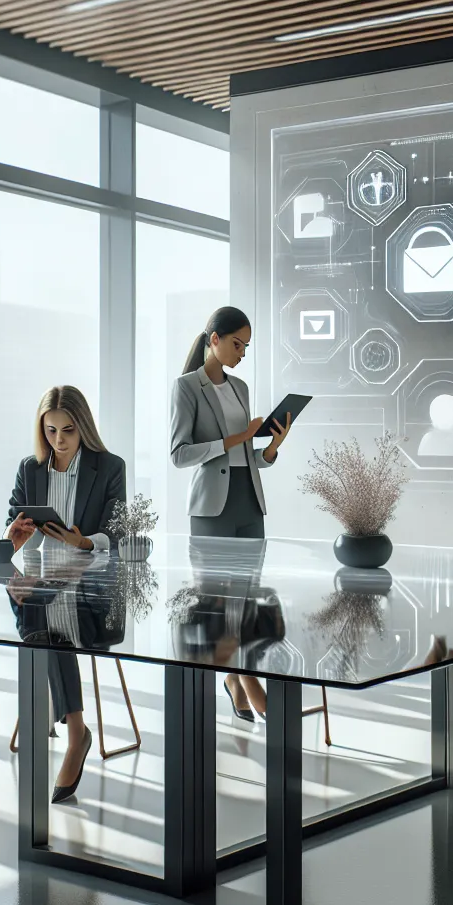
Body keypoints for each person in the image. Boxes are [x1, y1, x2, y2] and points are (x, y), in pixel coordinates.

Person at [168, 306, 294, 720]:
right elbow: (180, 454)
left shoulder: (239, 386)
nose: (241, 353)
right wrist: (234, 437)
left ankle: (239, 677)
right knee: (218, 602)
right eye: (236, 343)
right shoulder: (187, 388)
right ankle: (242, 678)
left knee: (250, 599)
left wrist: (271, 447)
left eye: (246, 346)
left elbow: (246, 455)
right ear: (214, 339)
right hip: (211, 508)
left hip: (249, 500)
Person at [4, 385, 127, 802]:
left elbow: (119, 530)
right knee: (39, 621)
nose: (59, 440)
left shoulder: (109, 467)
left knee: (46, 632)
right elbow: (9, 532)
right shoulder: (31, 469)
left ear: (83, 428)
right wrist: (13, 538)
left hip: (92, 579)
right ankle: (76, 730)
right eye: (51, 430)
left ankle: (76, 733)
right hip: (40, 575)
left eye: (68, 430)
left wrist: (84, 543)